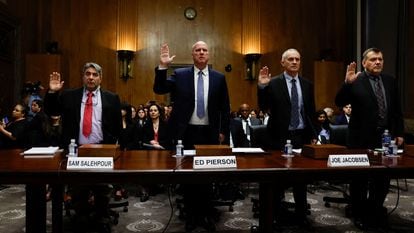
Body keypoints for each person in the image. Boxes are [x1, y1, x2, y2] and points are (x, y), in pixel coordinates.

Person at [153, 41, 230, 231]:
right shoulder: (180, 75)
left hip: (209, 133)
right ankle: (191, 215)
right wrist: (163, 67)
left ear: (209, 54)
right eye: (198, 50)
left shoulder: (219, 78)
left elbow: (225, 108)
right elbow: (159, 89)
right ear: (192, 54)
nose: (201, 52)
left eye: (204, 50)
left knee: (207, 176)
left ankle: (206, 213)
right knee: (189, 177)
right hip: (186, 132)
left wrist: (223, 132)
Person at [44, 62, 122, 232]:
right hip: (76, 151)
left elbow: (117, 128)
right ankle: (81, 218)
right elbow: (51, 111)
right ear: (83, 76)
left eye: (95, 74)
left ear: (100, 78)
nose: (91, 77)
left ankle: (102, 218)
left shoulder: (112, 98)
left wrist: (114, 148)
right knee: (79, 188)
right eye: (88, 74)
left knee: (102, 189)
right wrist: (52, 92)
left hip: (102, 150)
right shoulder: (69, 95)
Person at [335, 48, 404, 230]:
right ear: (364, 63)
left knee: (383, 179)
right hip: (360, 139)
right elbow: (339, 102)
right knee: (360, 180)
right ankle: (359, 214)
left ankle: (374, 210)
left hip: (385, 139)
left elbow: (396, 110)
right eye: (373, 59)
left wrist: (399, 133)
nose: (378, 62)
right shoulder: (357, 80)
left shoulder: (390, 81)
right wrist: (347, 84)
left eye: (380, 59)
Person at [257, 48, 316, 228]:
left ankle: (301, 216)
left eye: (297, 59)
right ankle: (273, 216)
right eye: (290, 59)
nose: (294, 62)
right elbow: (263, 106)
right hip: (278, 138)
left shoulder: (307, 84)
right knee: (277, 181)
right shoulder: (273, 83)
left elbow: (310, 111)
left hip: (300, 137)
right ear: (282, 62)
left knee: (301, 180)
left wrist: (313, 134)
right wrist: (262, 87)